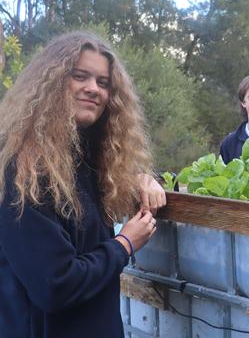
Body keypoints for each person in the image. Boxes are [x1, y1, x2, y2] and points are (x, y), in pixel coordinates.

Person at [0, 32, 166, 337]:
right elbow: (54, 285)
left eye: (103, 83)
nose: (93, 89)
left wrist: (144, 179)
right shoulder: (23, 170)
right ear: (51, 84)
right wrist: (125, 244)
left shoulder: (87, 159)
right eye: (80, 76)